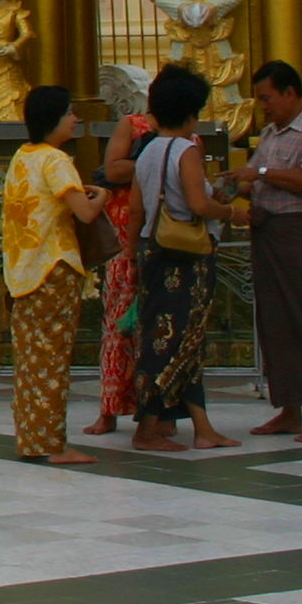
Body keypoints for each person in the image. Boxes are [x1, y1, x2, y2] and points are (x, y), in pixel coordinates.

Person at [131, 64, 245, 454]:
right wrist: (231, 212)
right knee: (176, 340)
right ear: (191, 112)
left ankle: (201, 426)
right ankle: (147, 427)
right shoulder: (185, 150)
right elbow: (198, 204)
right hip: (186, 255)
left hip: (153, 250)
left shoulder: (146, 150)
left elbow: (134, 209)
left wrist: (133, 255)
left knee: (175, 338)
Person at [233, 61, 302, 444]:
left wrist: (260, 174)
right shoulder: (269, 133)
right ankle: (290, 410)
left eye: (267, 98)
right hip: (269, 232)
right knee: (276, 322)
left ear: (290, 93)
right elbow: (250, 179)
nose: (263, 106)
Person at [3, 85, 105, 467]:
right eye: (70, 113)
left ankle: (33, 439)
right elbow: (86, 214)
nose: (76, 119)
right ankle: (55, 446)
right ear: (54, 119)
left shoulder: (21, 156)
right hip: (53, 269)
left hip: (24, 271)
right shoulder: (56, 160)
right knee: (52, 362)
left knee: (31, 362)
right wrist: (104, 197)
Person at [83, 96, 157, 437]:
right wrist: (152, 159)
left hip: (163, 239)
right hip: (123, 238)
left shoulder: (188, 137)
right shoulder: (134, 125)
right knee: (117, 327)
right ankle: (109, 409)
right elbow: (113, 169)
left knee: (158, 332)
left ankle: (156, 411)